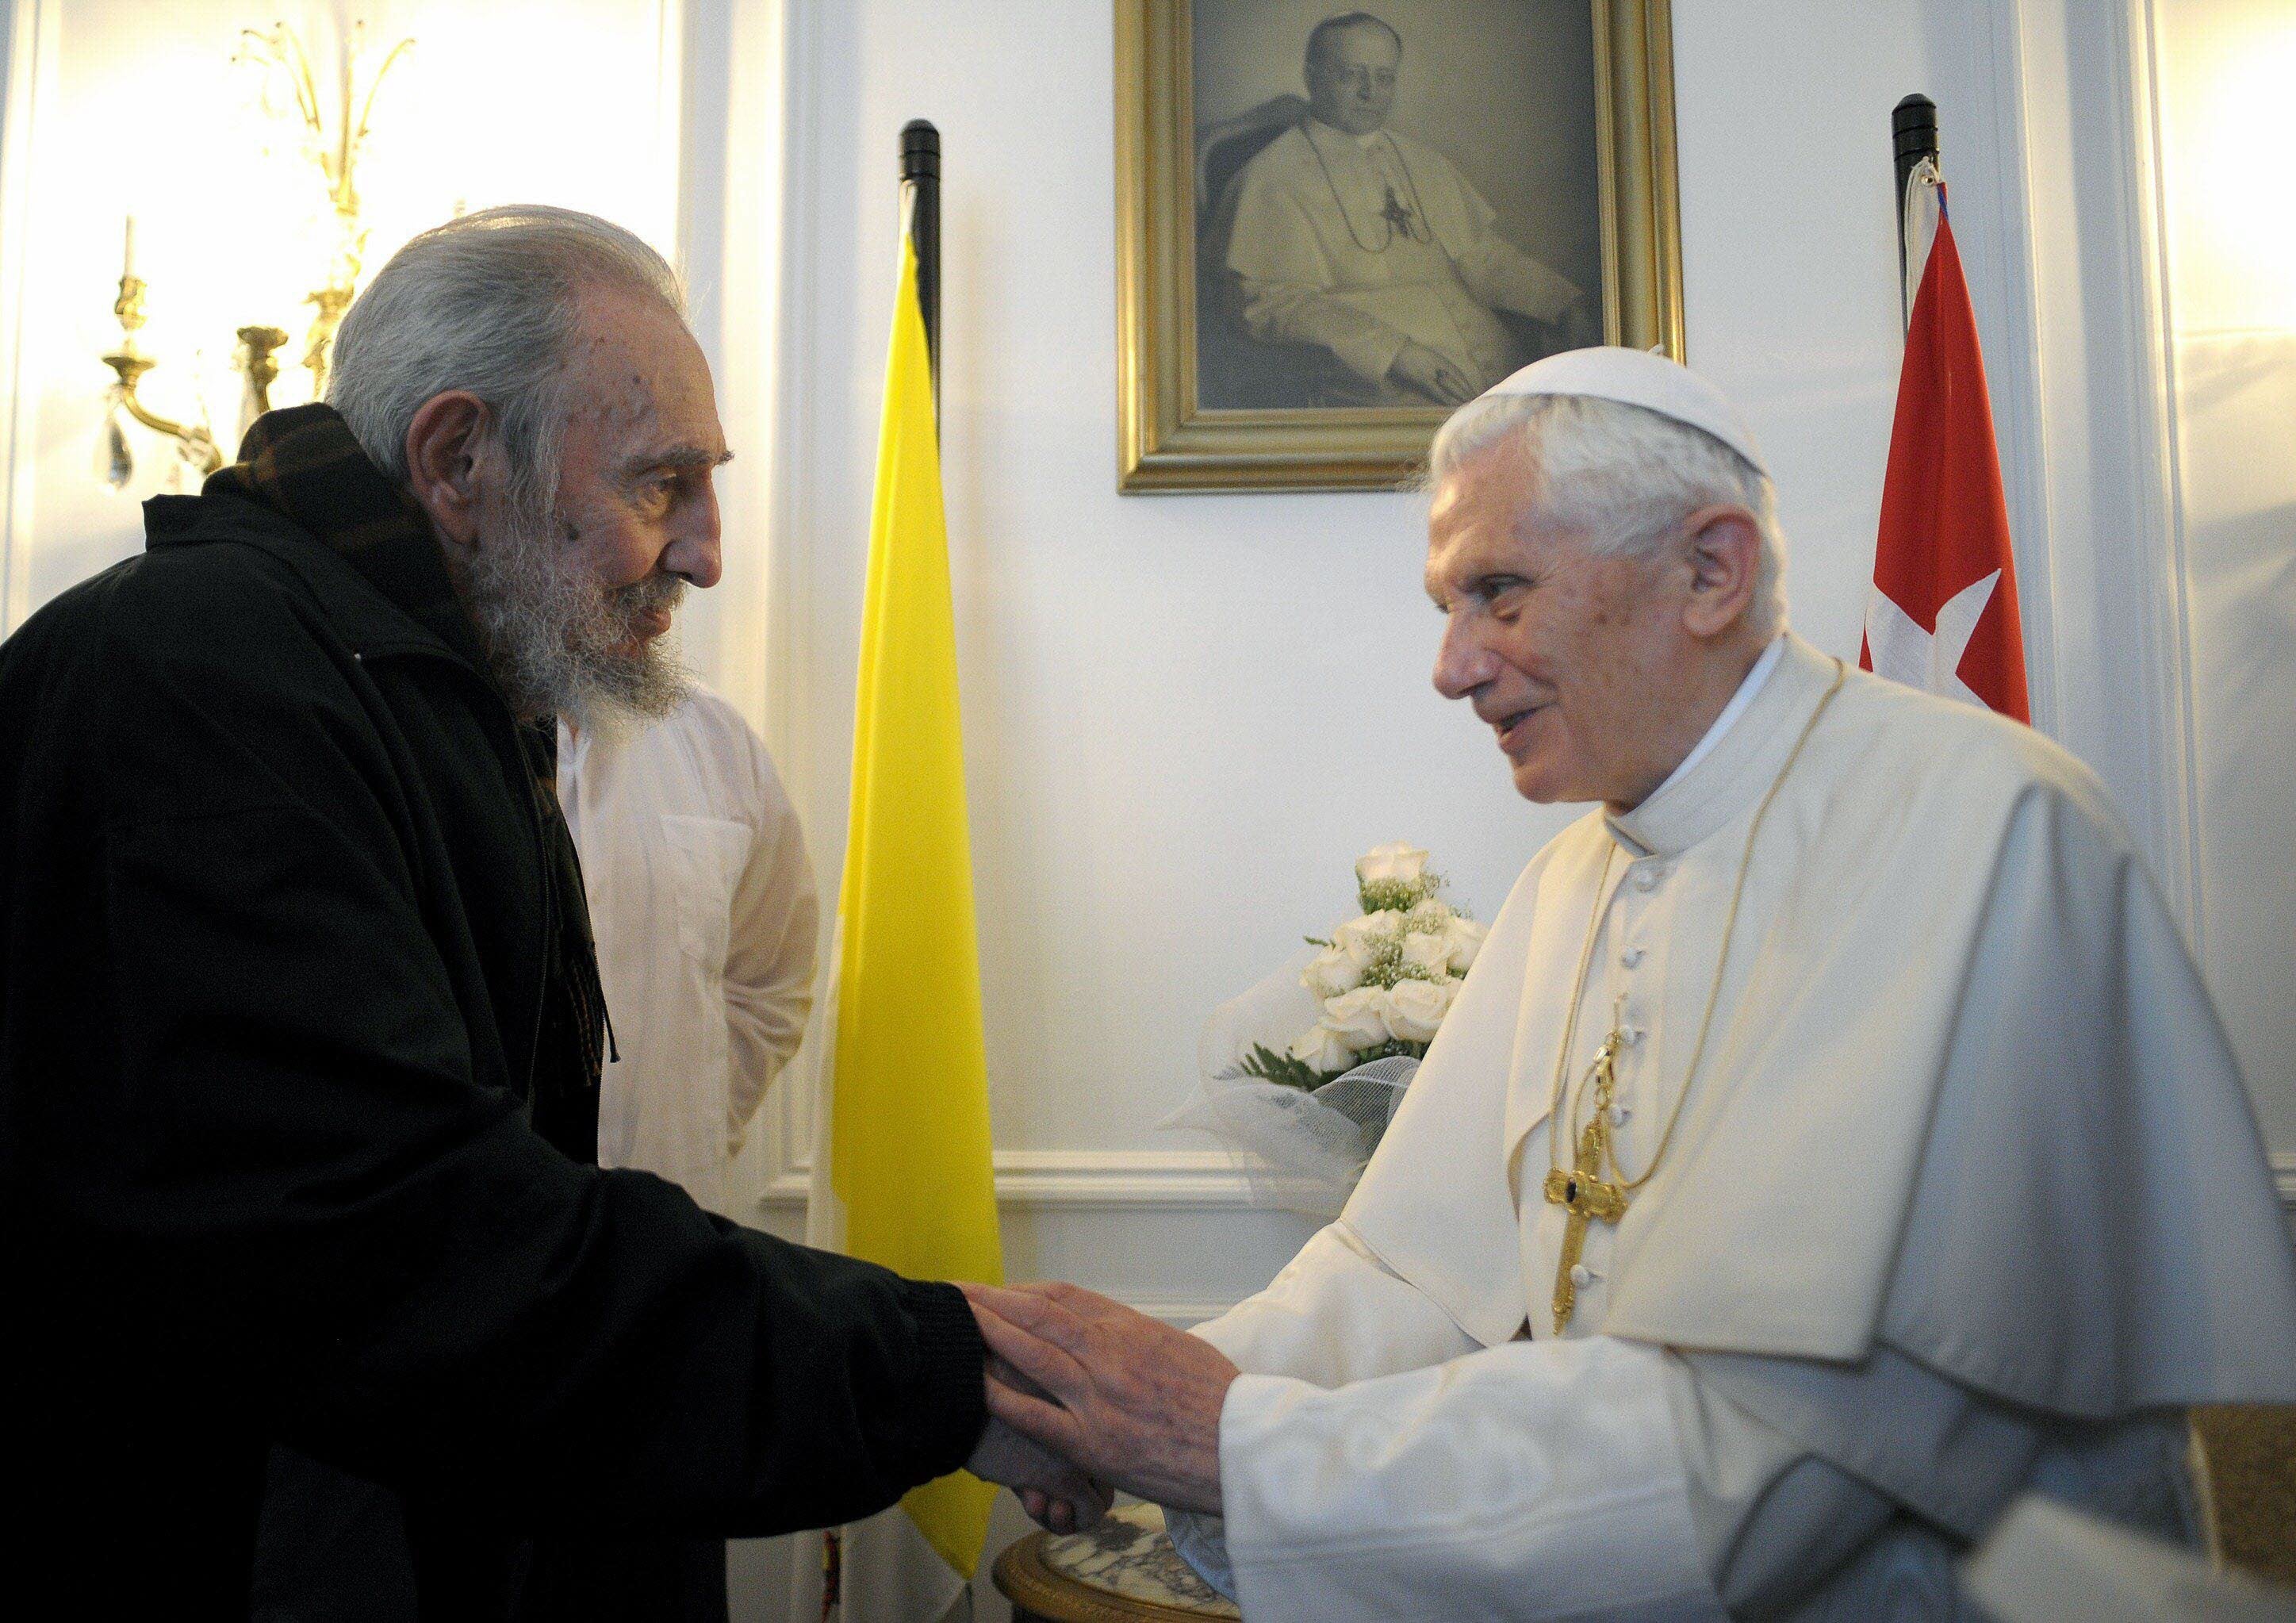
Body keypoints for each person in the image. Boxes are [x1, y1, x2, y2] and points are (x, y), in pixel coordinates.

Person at [968, 349, 2296, 1618]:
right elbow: (1411, 1276)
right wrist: (1096, 1396)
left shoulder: (1984, 830)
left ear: (1709, 570)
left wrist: (1233, 1448)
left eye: (1498, 593)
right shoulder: (1574, 880)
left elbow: (1765, 1466)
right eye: (1448, 608)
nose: (1453, 667)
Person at [0, 205, 1095, 1620]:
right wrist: (943, 1370)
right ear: (460, 459)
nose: (705, 553)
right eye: (662, 485)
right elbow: (395, 1245)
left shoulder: (406, 690)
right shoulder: (196, 679)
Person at [1222, 11, 1593, 407]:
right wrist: (1396, 354)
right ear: (1312, 77)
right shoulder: (1270, 176)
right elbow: (1272, 302)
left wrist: (1562, 303)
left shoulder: (1424, 161)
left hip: (1487, 359)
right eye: (1351, 75)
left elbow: (1481, 256)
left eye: (1384, 77)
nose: (1371, 93)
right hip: (1369, 376)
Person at [559, 688, 817, 1220]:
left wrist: (697, 1128)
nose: (673, 605)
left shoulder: (716, 741)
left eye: (665, 593)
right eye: (628, 594)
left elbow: (769, 980)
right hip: (476, 1255)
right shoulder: (425, 733)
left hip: (673, 1235)